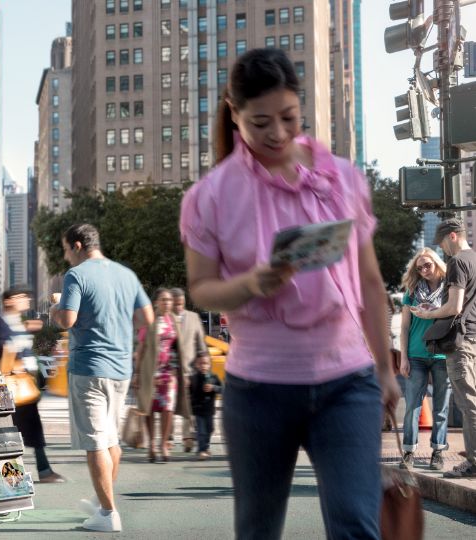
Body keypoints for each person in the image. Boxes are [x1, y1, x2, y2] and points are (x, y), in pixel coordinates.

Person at [180, 49, 400, 539]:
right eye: (260, 122)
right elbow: (202, 290)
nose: (277, 133)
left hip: (348, 383)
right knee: (258, 531)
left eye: (289, 118)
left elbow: (369, 282)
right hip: (257, 391)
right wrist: (251, 283)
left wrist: (385, 370)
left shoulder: (341, 177)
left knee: (356, 528)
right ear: (233, 113)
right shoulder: (209, 196)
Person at [50, 223, 153, 533]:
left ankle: (108, 514)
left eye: (66, 249)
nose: (66, 256)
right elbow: (146, 318)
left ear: (78, 245)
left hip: (89, 367)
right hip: (120, 368)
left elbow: (67, 320)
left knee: (95, 441)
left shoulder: (77, 276)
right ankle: (101, 502)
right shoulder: (126, 274)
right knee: (110, 439)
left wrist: (55, 308)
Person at [411, 219, 476, 479]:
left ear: (452, 236)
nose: (442, 250)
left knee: (467, 402)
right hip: (473, 338)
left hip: (460, 342)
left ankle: (473, 462)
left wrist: (428, 314)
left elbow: (454, 307)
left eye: (441, 244)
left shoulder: (458, 261)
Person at [0, 287, 66, 483]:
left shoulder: (17, 322)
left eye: (26, 296)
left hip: (24, 385)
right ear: (8, 301)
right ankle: (16, 474)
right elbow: (1, 348)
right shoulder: (2, 322)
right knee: (15, 431)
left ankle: (41, 471)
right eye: (20, 297)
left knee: (30, 429)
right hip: (13, 386)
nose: (26, 299)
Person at [398, 247, 451, 470]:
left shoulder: (450, 289)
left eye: (427, 265)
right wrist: (403, 358)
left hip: (442, 354)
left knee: (441, 406)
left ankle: (438, 451)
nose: (424, 270)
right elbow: (404, 327)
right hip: (416, 354)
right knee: (412, 406)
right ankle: (409, 451)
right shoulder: (411, 290)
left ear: (437, 263)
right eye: (419, 268)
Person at [134, 288, 179, 462]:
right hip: (150, 371)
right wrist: (137, 373)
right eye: (163, 300)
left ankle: (164, 443)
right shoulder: (149, 321)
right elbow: (141, 348)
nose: (167, 303)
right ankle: (152, 444)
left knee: (168, 408)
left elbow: (178, 346)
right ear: (156, 302)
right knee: (150, 408)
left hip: (169, 372)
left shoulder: (174, 320)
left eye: (169, 300)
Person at [170, 288, 210, 453]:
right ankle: (168, 438)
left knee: (188, 405)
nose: (179, 307)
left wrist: (204, 363)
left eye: (181, 303)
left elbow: (201, 344)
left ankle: (188, 437)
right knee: (169, 406)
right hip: (169, 370)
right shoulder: (164, 318)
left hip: (189, 369)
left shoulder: (193, 318)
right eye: (176, 304)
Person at [189, 356, 222, 461]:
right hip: (198, 409)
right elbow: (190, 393)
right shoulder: (194, 378)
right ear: (196, 365)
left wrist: (213, 387)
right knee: (201, 431)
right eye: (200, 363)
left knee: (210, 429)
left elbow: (222, 389)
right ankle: (201, 450)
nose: (203, 366)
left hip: (209, 409)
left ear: (209, 365)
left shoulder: (213, 377)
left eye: (205, 363)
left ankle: (205, 447)